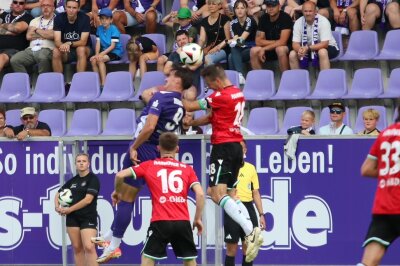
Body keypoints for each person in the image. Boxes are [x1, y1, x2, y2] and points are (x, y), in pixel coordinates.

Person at [92, 65, 194, 263]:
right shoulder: (179, 104)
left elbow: (149, 127)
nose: (165, 79)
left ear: (178, 81)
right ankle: (110, 236)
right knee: (126, 196)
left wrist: (134, 147)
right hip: (155, 152)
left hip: (144, 148)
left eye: (169, 76)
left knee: (126, 198)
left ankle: (113, 245)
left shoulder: (162, 97)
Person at [182, 64, 263, 263]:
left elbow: (190, 106)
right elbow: (211, 117)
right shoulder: (237, 93)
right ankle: (253, 230)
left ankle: (249, 231)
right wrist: (192, 124)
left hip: (223, 147)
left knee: (215, 194)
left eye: (210, 85)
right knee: (232, 194)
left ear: (217, 81)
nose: (210, 89)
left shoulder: (220, 96)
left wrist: (174, 93)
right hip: (236, 146)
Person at [113, 132, 205, 266]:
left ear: (158, 148)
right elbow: (201, 194)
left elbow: (120, 175)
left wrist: (117, 192)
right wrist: (197, 219)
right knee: (190, 261)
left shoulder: (149, 165)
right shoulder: (187, 169)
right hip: (182, 222)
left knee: (147, 259)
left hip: (160, 222)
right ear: (177, 149)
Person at [358, 105, 400, 266]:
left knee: (367, 262)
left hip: (384, 206)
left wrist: (389, 173)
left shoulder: (385, 134)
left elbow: (366, 169)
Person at [224, 140, 266, 266]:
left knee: (248, 248)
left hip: (248, 207)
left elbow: (256, 192)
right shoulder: (227, 167)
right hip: (232, 207)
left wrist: (261, 214)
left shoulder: (250, 168)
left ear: (245, 150)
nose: (239, 150)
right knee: (231, 248)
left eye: (241, 148)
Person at [54, 153, 100, 266]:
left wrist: (69, 209)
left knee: (89, 247)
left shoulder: (93, 179)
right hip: (73, 218)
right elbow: (58, 193)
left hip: (87, 217)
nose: (81, 163)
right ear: (75, 165)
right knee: (77, 248)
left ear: (88, 164)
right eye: (79, 161)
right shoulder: (73, 181)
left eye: (84, 161)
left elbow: (88, 200)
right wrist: (57, 207)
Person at [289, 1, 339, 70]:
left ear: (315, 12)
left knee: (322, 52)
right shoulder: (298, 22)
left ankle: (325, 79)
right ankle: (298, 79)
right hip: (308, 48)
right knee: (292, 54)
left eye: (310, 11)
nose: (308, 13)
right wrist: (300, 50)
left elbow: (324, 44)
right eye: (305, 11)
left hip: (329, 47)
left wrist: (307, 48)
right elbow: (295, 43)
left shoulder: (323, 21)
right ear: (302, 12)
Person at [10, 0, 55, 74]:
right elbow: (28, 36)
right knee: (14, 60)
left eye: (48, 5)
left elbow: (53, 35)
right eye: (43, 6)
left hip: (47, 49)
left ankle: (43, 82)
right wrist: (45, 34)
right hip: (31, 49)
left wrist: (36, 30)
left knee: (42, 57)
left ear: (53, 8)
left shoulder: (58, 20)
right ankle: (25, 82)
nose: (45, 8)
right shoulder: (34, 20)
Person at [249, 0, 292, 72]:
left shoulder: (285, 17)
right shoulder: (263, 18)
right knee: (253, 50)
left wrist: (264, 48)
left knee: (280, 49)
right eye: (269, 6)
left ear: (279, 6)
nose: (271, 8)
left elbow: (283, 42)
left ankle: (286, 79)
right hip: (271, 47)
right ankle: (261, 80)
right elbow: (258, 41)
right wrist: (276, 42)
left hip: (286, 47)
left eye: (273, 6)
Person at [52, 0, 92, 74]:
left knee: (80, 49)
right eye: (69, 7)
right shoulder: (59, 18)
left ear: (78, 9)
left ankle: (80, 80)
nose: (71, 10)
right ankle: (59, 82)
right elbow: (57, 41)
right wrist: (63, 46)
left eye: (74, 8)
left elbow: (83, 42)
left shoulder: (85, 18)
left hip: (84, 49)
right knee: (55, 51)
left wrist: (69, 43)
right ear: (65, 7)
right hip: (66, 50)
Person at [157, 7, 198, 72]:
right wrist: (170, 15)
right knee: (160, 60)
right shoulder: (176, 26)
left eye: (182, 19)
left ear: (189, 19)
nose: (180, 20)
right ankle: (161, 80)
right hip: (173, 52)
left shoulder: (192, 29)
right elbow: (164, 21)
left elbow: (189, 43)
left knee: (174, 67)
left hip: (185, 53)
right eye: (179, 18)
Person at [90, 8, 122, 88]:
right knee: (94, 60)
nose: (104, 21)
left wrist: (100, 54)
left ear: (111, 20)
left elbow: (112, 46)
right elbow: (98, 43)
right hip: (105, 52)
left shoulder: (114, 29)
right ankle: (98, 83)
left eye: (106, 19)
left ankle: (104, 85)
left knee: (100, 59)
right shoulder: (99, 29)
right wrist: (97, 54)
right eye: (102, 19)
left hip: (115, 52)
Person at [227, 0, 257, 84]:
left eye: (242, 8)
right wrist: (233, 41)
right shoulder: (233, 23)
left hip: (252, 48)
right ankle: (235, 79)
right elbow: (237, 41)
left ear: (246, 9)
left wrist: (228, 41)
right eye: (237, 8)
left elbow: (241, 40)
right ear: (234, 10)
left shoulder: (250, 20)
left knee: (233, 49)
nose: (239, 10)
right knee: (230, 56)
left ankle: (239, 75)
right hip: (241, 48)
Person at [0, 0, 33, 73]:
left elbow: (17, 28)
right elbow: (13, 30)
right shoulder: (3, 15)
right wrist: (10, 31)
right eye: (15, 2)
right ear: (12, 3)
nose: (18, 4)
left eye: (21, 3)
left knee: (1, 58)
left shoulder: (28, 17)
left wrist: (2, 25)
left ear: (25, 5)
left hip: (14, 51)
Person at [198, 0, 231, 66]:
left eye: (213, 4)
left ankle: (213, 76)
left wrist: (217, 48)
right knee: (196, 60)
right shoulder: (204, 21)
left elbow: (228, 39)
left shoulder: (225, 19)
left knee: (207, 60)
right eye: (209, 4)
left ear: (219, 6)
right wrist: (197, 51)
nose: (211, 6)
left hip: (222, 48)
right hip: (208, 49)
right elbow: (202, 39)